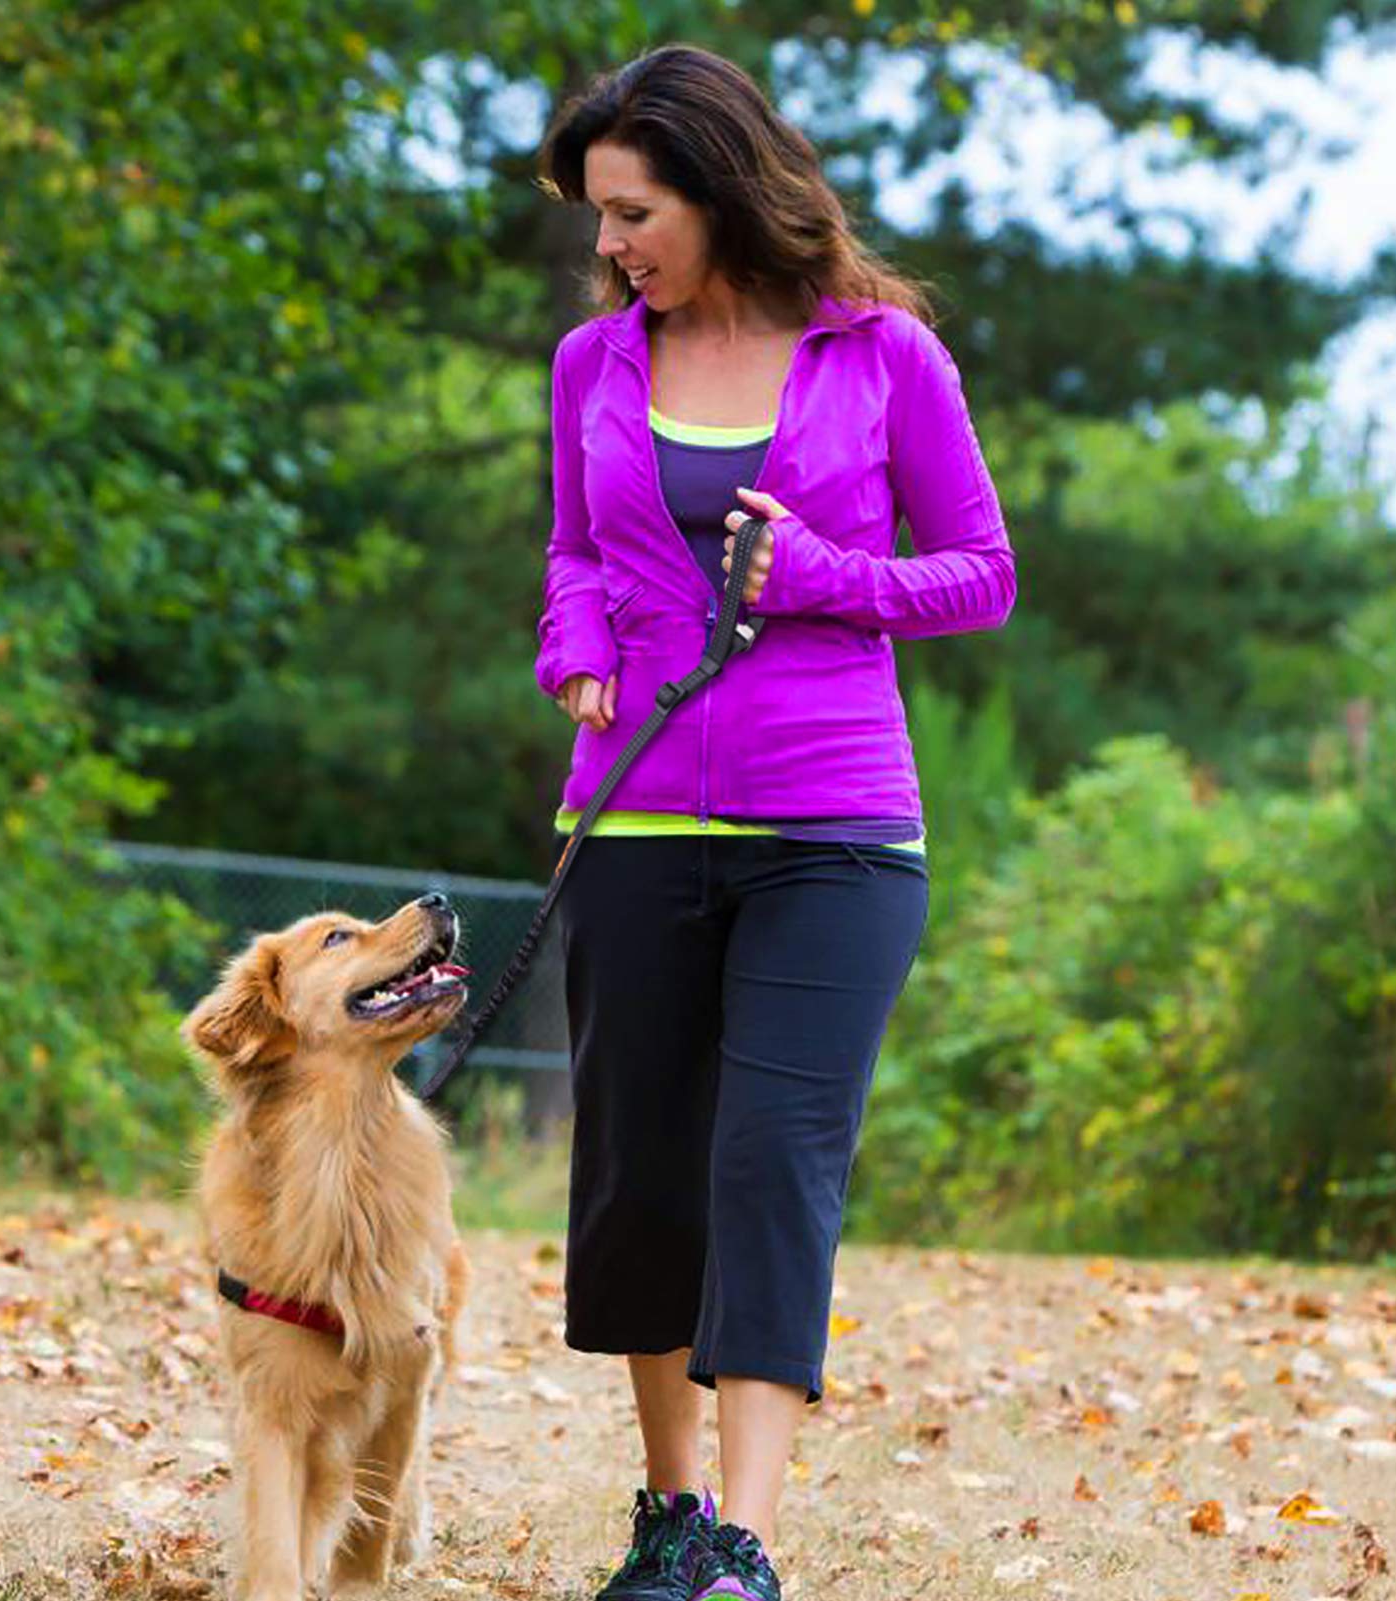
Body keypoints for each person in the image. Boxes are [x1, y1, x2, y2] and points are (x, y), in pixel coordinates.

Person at [532, 43, 1016, 1601]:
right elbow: (571, 557)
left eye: (629, 212)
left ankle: (743, 1541)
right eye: (598, 217)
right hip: (636, 818)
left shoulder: (881, 357)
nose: (608, 245)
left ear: (716, 191)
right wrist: (578, 648)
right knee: (640, 1176)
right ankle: (666, 1512)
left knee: (771, 1162)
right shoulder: (592, 365)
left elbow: (981, 572)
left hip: (837, 826)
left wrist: (828, 577)